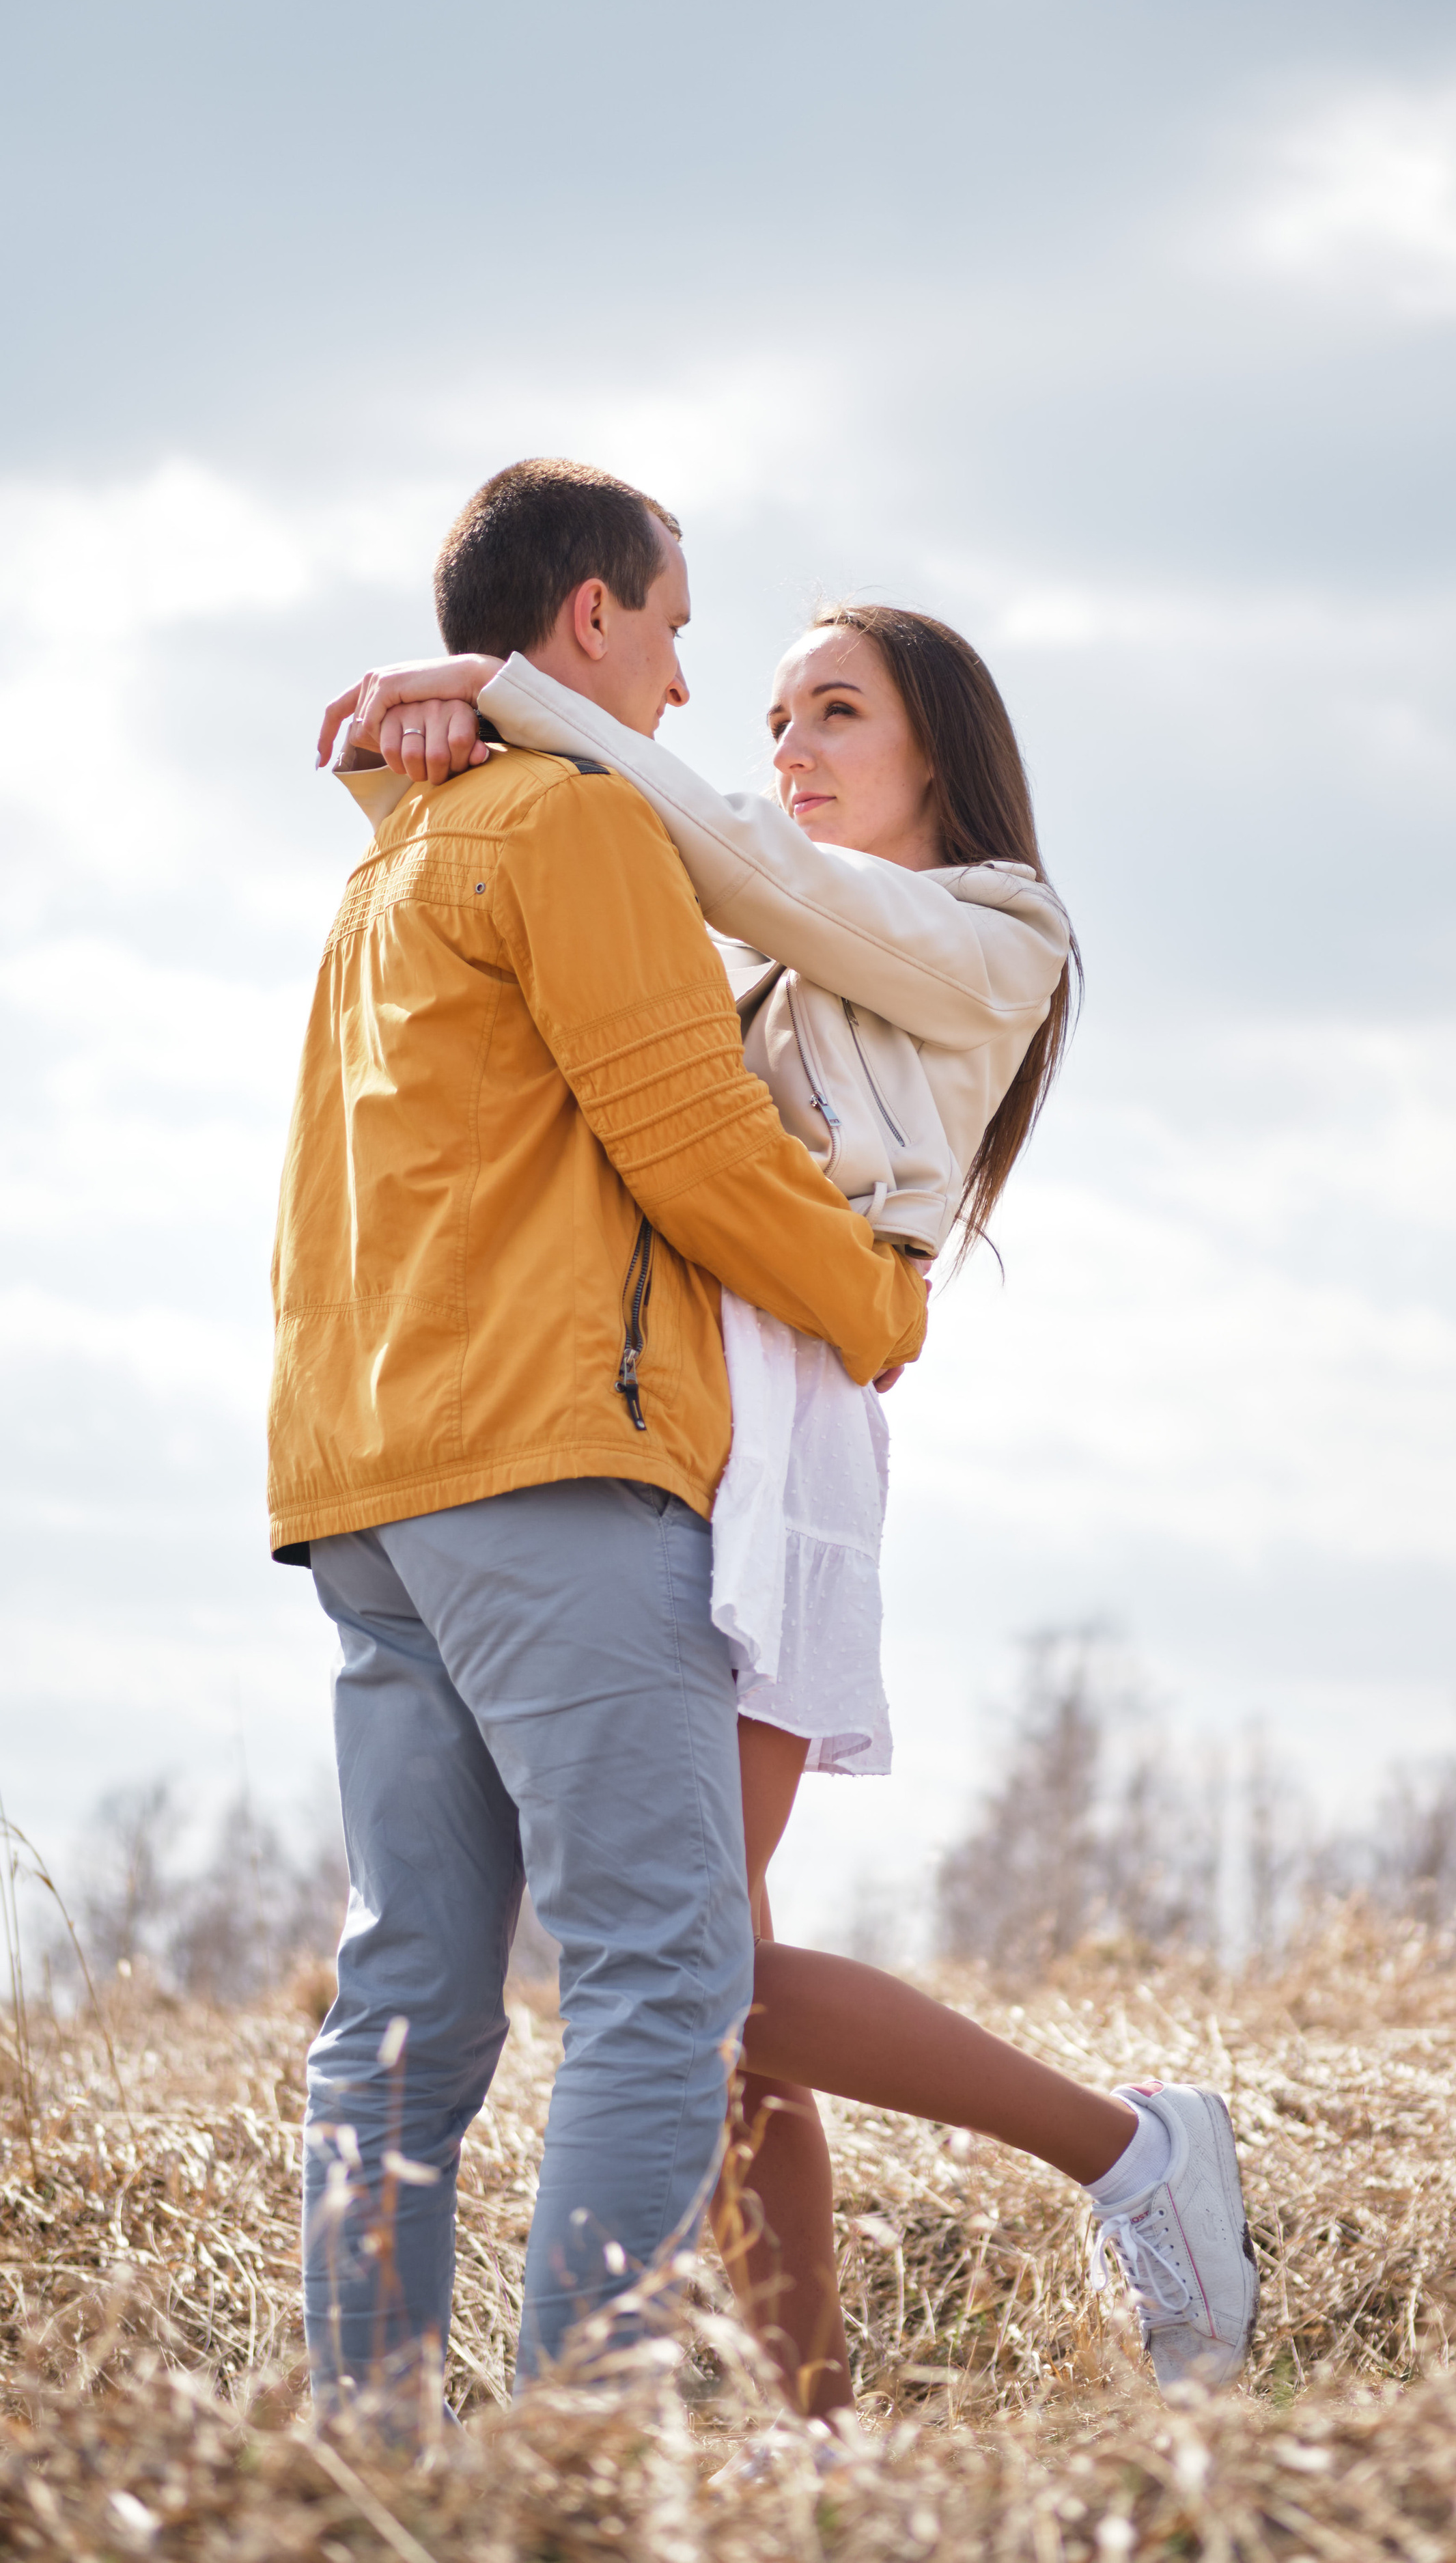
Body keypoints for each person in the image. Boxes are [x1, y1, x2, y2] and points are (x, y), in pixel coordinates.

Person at [324, 594, 1260, 2413]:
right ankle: (813, 2430)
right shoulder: (769, 955)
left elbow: (731, 857)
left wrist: (501, 691)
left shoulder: (1003, 937)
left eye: (837, 712)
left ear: (942, 759)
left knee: (708, 1969)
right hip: (673, 1393)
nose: (790, 749)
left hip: (788, 1419)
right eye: (774, 715)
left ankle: (1131, 2154)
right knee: (719, 1993)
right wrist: (438, 750)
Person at [275, 456, 929, 2406]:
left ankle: (367, 2460)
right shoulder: (568, 825)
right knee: (665, 1975)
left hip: (366, 1485)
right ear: (590, 621)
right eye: (671, 633)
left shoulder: (391, 862)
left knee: (406, 1995)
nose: (678, 685)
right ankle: (576, 2456)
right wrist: (872, 1299)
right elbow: (696, 1136)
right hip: (553, 1465)